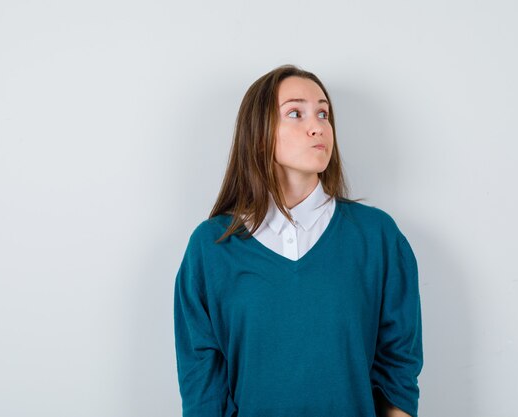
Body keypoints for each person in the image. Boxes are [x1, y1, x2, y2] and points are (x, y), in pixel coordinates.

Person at [173, 64, 423, 417]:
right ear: (259, 133)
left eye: (323, 113)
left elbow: (398, 370)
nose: (317, 126)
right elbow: (203, 391)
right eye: (295, 113)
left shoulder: (377, 237)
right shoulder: (211, 247)